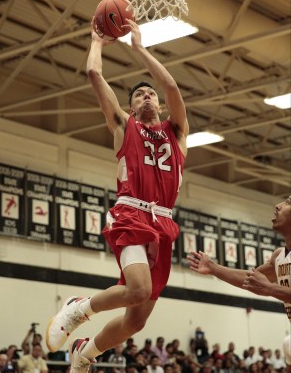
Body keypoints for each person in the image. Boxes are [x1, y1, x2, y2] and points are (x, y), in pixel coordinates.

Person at [46, 18, 188, 370]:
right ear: (131, 106)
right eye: (139, 94)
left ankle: (86, 351)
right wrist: (96, 42)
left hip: (163, 223)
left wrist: (139, 48)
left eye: (149, 93)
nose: (146, 96)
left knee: (136, 320)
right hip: (130, 213)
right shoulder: (125, 126)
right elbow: (95, 76)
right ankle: (79, 308)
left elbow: (171, 85)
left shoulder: (178, 131)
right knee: (137, 289)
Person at [188, 195, 291, 372]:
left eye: (288, 202)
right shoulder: (279, 256)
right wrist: (213, 268)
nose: (278, 205)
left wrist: (270, 288)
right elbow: (251, 279)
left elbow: (265, 286)